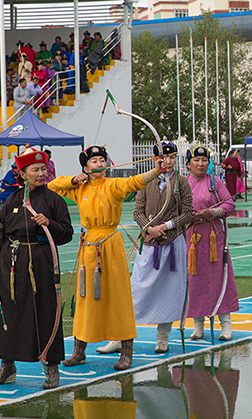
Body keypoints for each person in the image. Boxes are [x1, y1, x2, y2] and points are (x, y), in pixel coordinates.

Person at [48, 145, 162, 370]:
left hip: (110, 243)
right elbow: (52, 186)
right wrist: (74, 180)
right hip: (89, 244)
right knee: (85, 296)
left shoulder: (114, 184)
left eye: (102, 160)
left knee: (118, 297)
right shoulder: (79, 187)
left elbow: (135, 182)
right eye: (94, 161)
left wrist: (155, 171)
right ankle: (79, 351)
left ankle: (126, 351)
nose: (99, 164)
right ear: (85, 167)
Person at [0, 147, 74, 389]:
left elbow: (67, 233)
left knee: (47, 311)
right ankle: (7, 365)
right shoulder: (12, 201)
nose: (40, 173)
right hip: (12, 265)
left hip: (41, 263)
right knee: (9, 311)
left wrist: (50, 224)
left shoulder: (54, 200)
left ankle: (52, 365)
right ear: (22, 174)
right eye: (34, 170)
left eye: (43, 169)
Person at [97, 142, 194, 356]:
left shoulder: (182, 182)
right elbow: (137, 211)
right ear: (154, 160)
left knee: (170, 292)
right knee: (136, 290)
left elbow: (188, 213)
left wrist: (165, 227)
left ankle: (163, 337)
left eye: (170, 158)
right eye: (162, 158)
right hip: (149, 243)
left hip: (173, 243)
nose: (166, 162)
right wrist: (149, 227)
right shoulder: (146, 181)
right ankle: (119, 337)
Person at [184, 145, 239, 341]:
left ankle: (226, 325)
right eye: (196, 160)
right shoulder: (183, 184)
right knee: (194, 280)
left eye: (204, 160)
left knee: (219, 278)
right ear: (188, 164)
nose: (200, 163)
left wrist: (212, 212)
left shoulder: (215, 182)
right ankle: (198, 325)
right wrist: (185, 216)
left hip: (213, 237)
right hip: (191, 238)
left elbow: (229, 204)